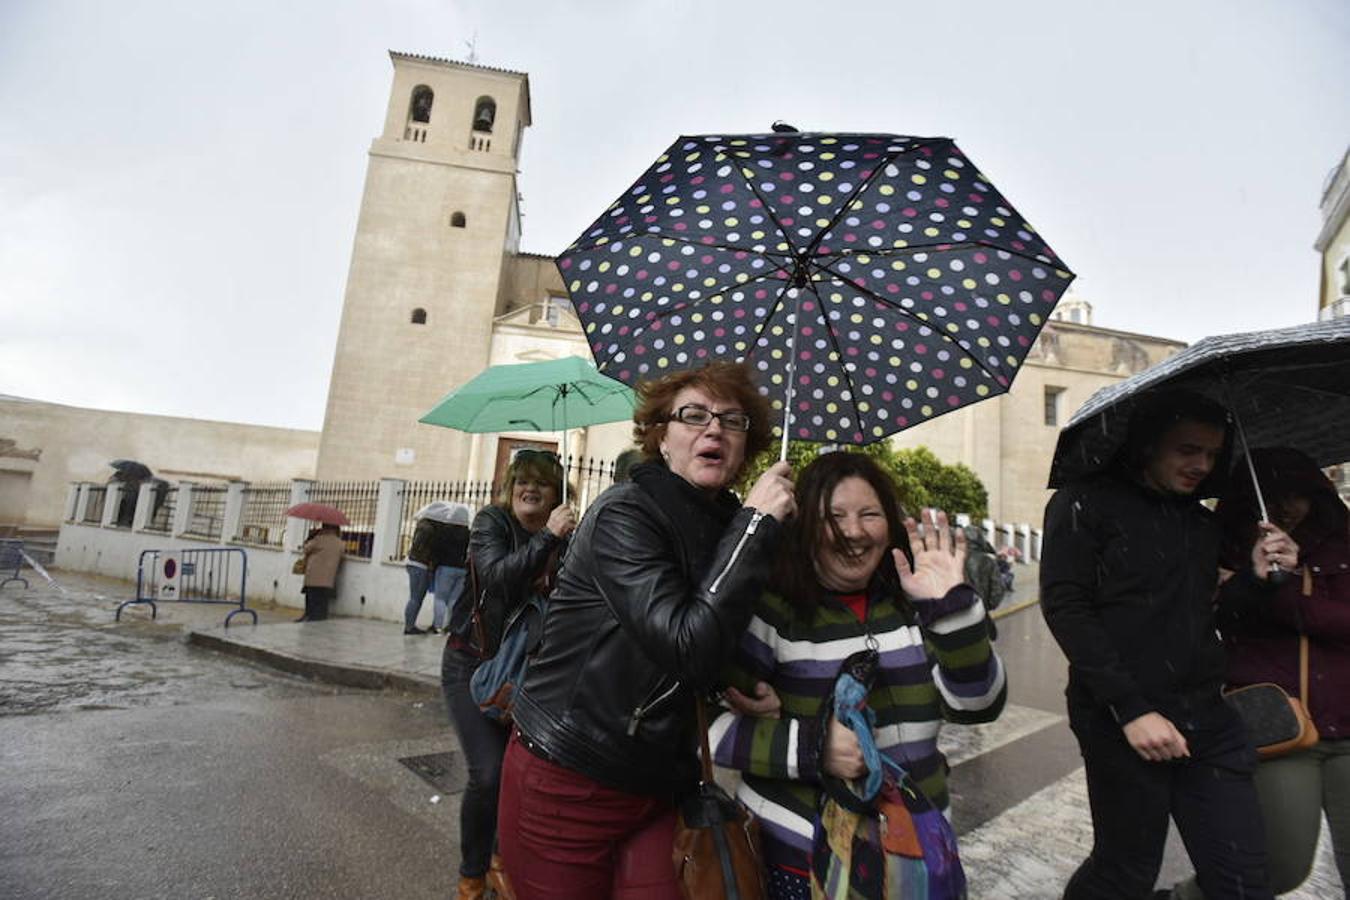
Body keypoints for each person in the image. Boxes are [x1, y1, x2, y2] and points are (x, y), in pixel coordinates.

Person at [496, 361, 796, 900]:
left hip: (660, 783)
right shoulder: (625, 514)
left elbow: (710, 633)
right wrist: (755, 526)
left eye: (732, 421)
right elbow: (685, 642)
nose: (714, 429)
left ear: (745, 448)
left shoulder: (724, 526)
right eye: (694, 415)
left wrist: (739, 686)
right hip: (569, 779)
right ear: (661, 437)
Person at [712, 451, 1007, 899]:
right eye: (833, 517)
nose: (853, 531)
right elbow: (707, 730)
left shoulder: (916, 605)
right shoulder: (771, 613)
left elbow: (978, 706)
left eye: (869, 514)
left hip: (917, 856)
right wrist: (814, 747)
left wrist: (951, 612)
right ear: (804, 525)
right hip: (800, 864)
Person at [1041, 389, 1276, 899]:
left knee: (1244, 879)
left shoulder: (1202, 523)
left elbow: (1209, 613)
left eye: (1212, 454)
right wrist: (1132, 710)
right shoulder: (1083, 503)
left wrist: (1256, 578)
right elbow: (1066, 607)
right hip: (1120, 722)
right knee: (1125, 872)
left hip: (1209, 722)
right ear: (1148, 443)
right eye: (1187, 450)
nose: (1202, 465)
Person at [1195, 447, 1349, 895]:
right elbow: (1216, 622)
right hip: (1278, 727)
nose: (1283, 507)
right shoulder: (1225, 551)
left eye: (1294, 494)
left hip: (1347, 723)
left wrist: (1290, 586)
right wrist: (1253, 580)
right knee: (1280, 867)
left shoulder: (1343, 543)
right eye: (1269, 495)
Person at [441, 451, 576, 900]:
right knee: (489, 772)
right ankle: (472, 876)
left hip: (527, 674)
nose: (530, 488)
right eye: (522, 480)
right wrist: (548, 538)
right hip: (473, 665)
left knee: (524, 779)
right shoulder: (491, 524)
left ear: (558, 493)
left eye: (542, 482)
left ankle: (503, 862)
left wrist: (569, 544)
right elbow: (497, 577)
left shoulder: (566, 538)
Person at [403, 503, 470, 635]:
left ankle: (436, 626)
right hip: (460, 569)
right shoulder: (468, 533)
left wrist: (435, 564)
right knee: (453, 600)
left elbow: (436, 549)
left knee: (439, 598)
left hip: (443, 568)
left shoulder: (439, 530)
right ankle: (450, 627)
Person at [299, 523, 343, 621]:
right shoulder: (340, 543)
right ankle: (320, 619)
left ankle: (309, 617)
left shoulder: (318, 539)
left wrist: (312, 536)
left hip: (313, 576)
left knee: (311, 599)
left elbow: (305, 549)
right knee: (323, 601)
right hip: (328, 578)